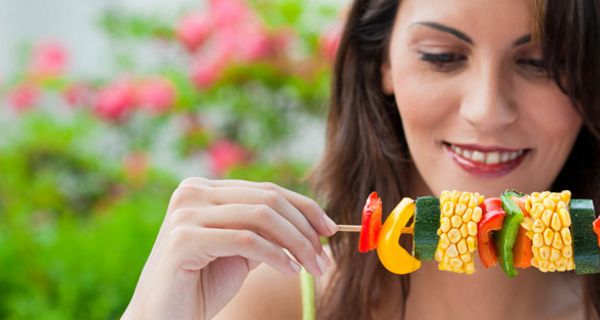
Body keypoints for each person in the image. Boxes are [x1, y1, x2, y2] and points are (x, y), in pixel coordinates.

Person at [122, 0, 600, 318]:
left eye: (541, 62)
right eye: (440, 56)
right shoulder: (269, 300)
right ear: (383, 64)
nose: (488, 111)